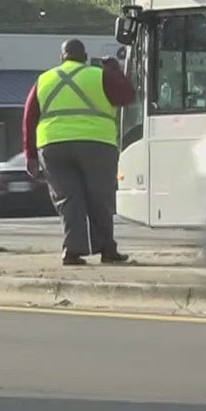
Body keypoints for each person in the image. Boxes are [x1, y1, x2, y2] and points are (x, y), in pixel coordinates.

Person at [24, 40, 137, 266]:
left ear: (61, 58)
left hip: (53, 145)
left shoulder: (44, 80)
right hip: (96, 144)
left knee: (68, 199)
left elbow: (29, 117)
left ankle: (72, 251)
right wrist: (114, 70)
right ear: (85, 57)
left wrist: (31, 155)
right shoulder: (99, 75)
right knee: (99, 197)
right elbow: (128, 96)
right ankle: (107, 250)